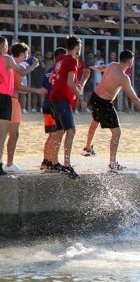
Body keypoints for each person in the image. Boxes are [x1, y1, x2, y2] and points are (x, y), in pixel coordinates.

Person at [82, 50, 140, 172]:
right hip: (104, 103)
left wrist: (93, 68)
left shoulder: (112, 65)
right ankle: (112, 164)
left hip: (95, 97)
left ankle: (87, 147)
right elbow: (134, 98)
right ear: (129, 61)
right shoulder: (124, 78)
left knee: (95, 121)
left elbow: (102, 68)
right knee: (116, 133)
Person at [5, 43, 45, 173]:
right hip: (12, 101)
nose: (27, 56)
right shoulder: (19, 66)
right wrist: (36, 90)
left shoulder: (9, 63)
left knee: (7, 133)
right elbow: (18, 86)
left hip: (9, 99)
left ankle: (9, 163)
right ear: (22, 55)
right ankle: (9, 163)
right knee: (13, 134)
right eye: (26, 54)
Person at [48, 35, 84, 179]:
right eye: (79, 48)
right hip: (61, 99)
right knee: (71, 130)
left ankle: (54, 161)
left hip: (54, 97)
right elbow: (70, 82)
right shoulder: (72, 60)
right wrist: (80, 97)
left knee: (60, 130)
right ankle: (67, 165)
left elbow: (52, 79)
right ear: (76, 48)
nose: (80, 50)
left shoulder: (60, 59)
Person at [40, 47, 67, 173]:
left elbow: (44, 90)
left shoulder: (48, 71)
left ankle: (46, 160)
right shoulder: (60, 72)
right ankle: (52, 162)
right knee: (56, 134)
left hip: (46, 105)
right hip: (54, 106)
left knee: (51, 135)